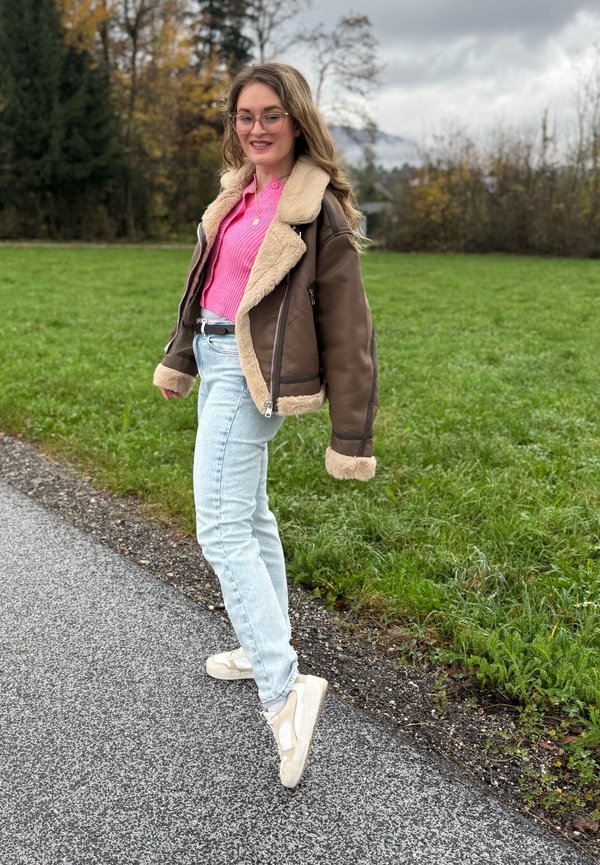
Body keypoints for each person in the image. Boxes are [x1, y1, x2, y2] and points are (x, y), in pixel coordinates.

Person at [153, 62, 378, 789]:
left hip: (253, 378)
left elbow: (349, 331)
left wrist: (353, 436)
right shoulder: (237, 195)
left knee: (218, 524)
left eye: (270, 115)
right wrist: (178, 357)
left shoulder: (316, 209)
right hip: (215, 357)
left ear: (297, 119)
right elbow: (206, 289)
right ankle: (264, 641)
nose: (255, 128)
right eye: (244, 116)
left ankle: (284, 690)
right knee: (248, 514)